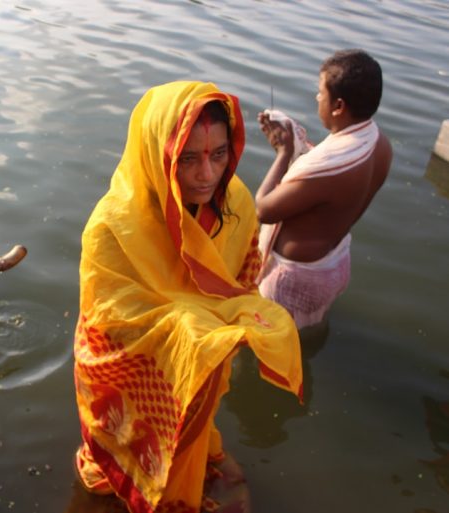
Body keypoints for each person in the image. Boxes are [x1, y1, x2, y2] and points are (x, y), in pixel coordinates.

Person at [73, 81, 303, 513]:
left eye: (219, 155)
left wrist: (240, 320)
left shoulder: (233, 202)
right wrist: (192, 331)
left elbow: (243, 277)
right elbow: (110, 321)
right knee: (111, 461)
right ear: (159, 153)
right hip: (133, 367)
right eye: (189, 158)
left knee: (190, 438)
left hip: (199, 362)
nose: (207, 174)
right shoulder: (113, 224)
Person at [255, 49, 393, 329]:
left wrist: (283, 152)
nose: (317, 98)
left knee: (273, 350)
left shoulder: (327, 168)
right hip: (334, 263)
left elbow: (264, 209)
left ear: (338, 106)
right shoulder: (379, 144)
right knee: (304, 337)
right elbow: (326, 181)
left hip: (294, 280)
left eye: (320, 93)